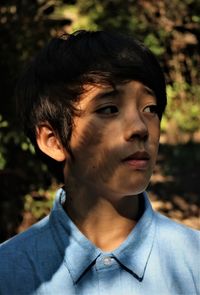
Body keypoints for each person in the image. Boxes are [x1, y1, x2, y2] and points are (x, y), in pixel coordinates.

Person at [0, 30, 199, 295]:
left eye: (149, 108)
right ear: (53, 140)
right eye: (108, 109)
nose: (140, 128)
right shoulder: (10, 272)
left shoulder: (193, 259)